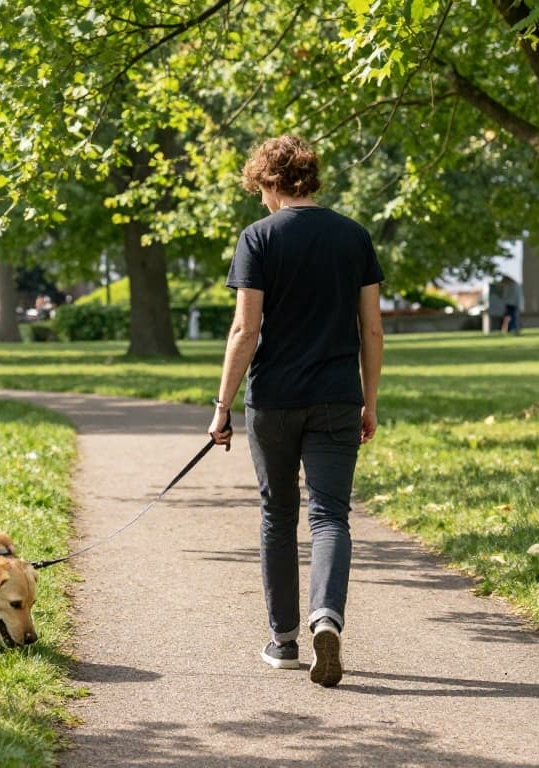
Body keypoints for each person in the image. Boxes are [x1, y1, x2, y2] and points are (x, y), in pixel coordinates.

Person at [208, 134, 384, 688]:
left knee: (278, 516)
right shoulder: (353, 236)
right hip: (337, 397)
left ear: (269, 181)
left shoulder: (258, 238)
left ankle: (284, 641)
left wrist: (221, 407)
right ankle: (325, 618)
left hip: (275, 401)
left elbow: (245, 329)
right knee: (330, 515)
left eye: (259, 188)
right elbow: (372, 328)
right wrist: (369, 400)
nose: (259, 200)